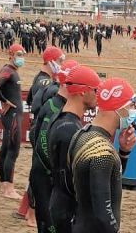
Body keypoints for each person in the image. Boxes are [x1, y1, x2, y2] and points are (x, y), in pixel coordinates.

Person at [68, 78, 136, 233]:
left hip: (79, 222)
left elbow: (112, 179)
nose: (134, 111)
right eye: (132, 105)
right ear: (118, 107)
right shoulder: (102, 152)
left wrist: (123, 152)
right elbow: (103, 215)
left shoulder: (82, 133)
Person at [48, 65, 101, 233]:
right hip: (67, 211)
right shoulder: (69, 129)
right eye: (95, 90)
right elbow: (68, 181)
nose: (98, 95)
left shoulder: (61, 118)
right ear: (83, 91)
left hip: (60, 203)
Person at [30, 59, 79, 233]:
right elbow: (42, 142)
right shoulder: (54, 105)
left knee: (46, 223)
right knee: (48, 224)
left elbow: (34, 135)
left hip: (42, 174)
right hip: (44, 175)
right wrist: (54, 170)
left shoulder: (54, 102)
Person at [0, 43, 26, 199]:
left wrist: (4, 100)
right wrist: (4, 100)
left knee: (6, 150)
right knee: (12, 151)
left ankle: (4, 185)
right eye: (18, 54)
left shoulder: (11, 71)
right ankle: (9, 189)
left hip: (12, 115)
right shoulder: (7, 70)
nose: (21, 58)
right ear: (10, 55)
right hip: (12, 116)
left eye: (23, 55)